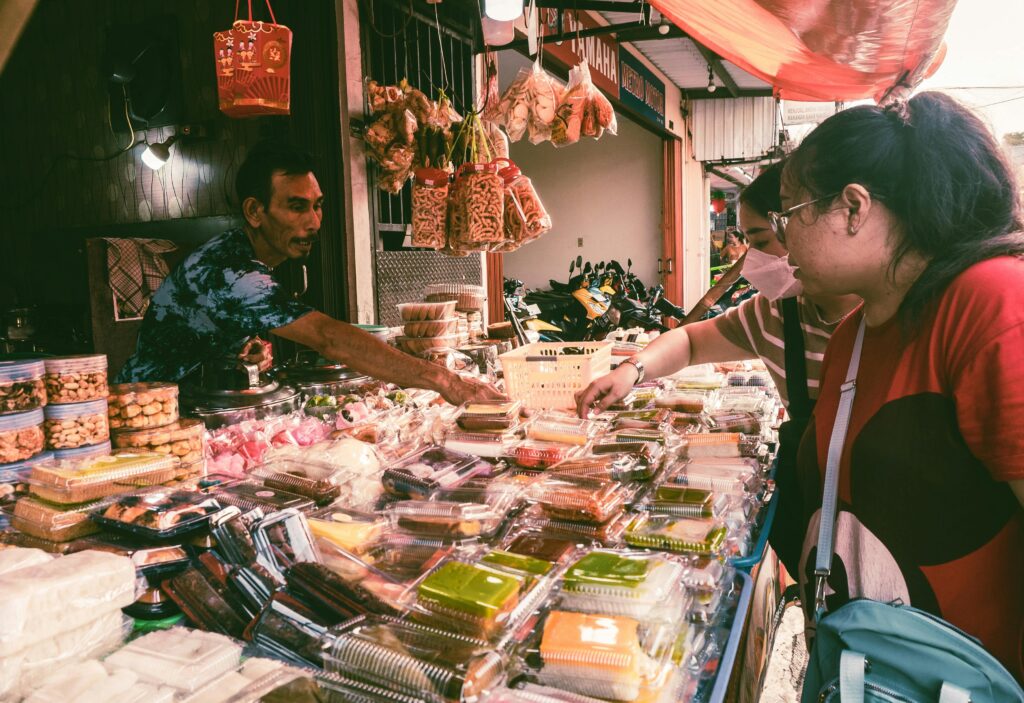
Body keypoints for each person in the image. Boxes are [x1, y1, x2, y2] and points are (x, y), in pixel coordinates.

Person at [777, 93, 1023, 679]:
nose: (782, 240)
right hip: (870, 678)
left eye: (789, 212)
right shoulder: (854, 335)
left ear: (853, 207)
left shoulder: (993, 304)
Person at [576, 160, 860, 578]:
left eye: (761, 239)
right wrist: (632, 370)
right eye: (747, 242)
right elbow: (690, 340)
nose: (752, 260)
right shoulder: (776, 315)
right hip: (819, 520)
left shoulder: (890, 315)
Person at [118, 140, 503, 407]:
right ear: (255, 211)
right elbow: (328, 337)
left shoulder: (240, 256)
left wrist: (235, 348)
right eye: (297, 207)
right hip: (146, 414)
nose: (315, 222)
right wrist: (446, 381)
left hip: (188, 402)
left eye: (317, 206)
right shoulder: (232, 272)